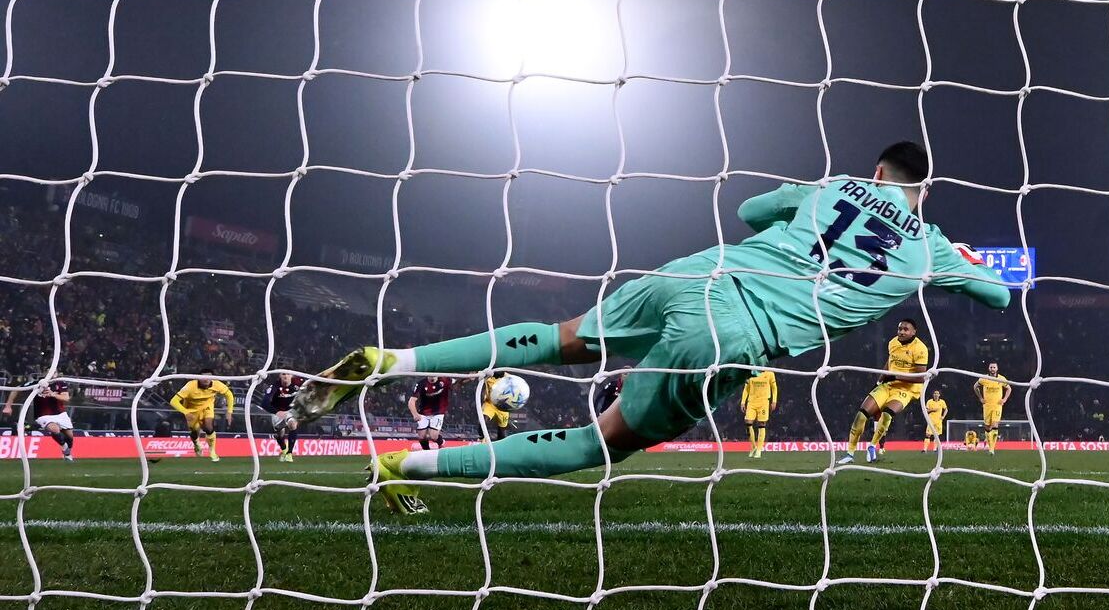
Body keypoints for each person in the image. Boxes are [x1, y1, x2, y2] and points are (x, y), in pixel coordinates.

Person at [288, 142, 1010, 514]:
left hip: (691, 273)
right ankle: (399, 467)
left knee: (557, 335)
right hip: (731, 335)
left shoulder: (831, 188)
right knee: (595, 444)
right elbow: (997, 300)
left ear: (875, 170)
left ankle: (393, 357)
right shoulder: (930, 246)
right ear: (921, 189)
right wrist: (962, 257)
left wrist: (806, 215)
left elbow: (752, 216)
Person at [838, 318, 930, 465]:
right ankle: (850, 453)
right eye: (899, 328)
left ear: (914, 332)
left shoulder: (920, 349)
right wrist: (880, 380)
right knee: (861, 415)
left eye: (905, 329)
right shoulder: (893, 342)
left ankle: (872, 446)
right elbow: (890, 361)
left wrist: (895, 376)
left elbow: (920, 378)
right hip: (888, 385)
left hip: (907, 389)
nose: (901, 331)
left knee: (887, 413)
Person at [3, 379, 76, 461]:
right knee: (55, 429)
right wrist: (8, 406)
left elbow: (66, 398)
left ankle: (67, 454)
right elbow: (16, 389)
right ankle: (64, 446)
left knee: (70, 437)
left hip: (60, 414)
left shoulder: (60, 383)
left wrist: (52, 394)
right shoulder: (36, 383)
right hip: (43, 415)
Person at [170, 375, 235, 462]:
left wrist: (229, 412)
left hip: (207, 408)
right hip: (192, 410)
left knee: (209, 427)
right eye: (204, 377)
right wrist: (185, 412)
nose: (206, 379)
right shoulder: (190, 386)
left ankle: (212, 451)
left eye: (209, 377)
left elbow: (229, 394)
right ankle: (196, 443)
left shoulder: (217, 384)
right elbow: (173, 401)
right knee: (195, 431)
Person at [261, 373, 301, 462]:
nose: (286, 376)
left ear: (292, 375)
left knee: (292, 424)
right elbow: (264, 403)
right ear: (280, 376)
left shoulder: (298, 383)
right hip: (277, 411)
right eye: (283, 374)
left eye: (288, 374)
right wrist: (277, 412)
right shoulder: (274, 386)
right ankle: (284, 450)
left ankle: (289, 454)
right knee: (279, 434)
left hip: (290, 411)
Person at [972, 361, 1010, 455]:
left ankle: (992, 449)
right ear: (989, 369)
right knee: (987, 427)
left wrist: (1004, 399)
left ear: (997, 369)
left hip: (997, 406)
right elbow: (975, 386)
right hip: (987, 406)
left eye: (994, 367)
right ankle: (990, 445)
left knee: (995, 424)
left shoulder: (1001, 379)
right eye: (991, 367)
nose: (992, 369)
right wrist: (980, 398)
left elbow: (1009, 388)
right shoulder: (984, 378)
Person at [408, 375, 453, 450]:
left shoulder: (445, 380)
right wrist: (415, 414)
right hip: (423, 413)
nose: (432, 376)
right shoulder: (421, 383)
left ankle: (441, 443)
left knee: (433, 436)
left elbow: (457, 383)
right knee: (422, 437)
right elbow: (411, 401)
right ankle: (426, 451)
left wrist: (468, 378)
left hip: (438, 412)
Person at [740, 369, 778, 459]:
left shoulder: (770, 374)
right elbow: (746, 389)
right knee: (748, 423)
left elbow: (774, 387)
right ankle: (753, 447)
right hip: (752, 402)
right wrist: (742, 402)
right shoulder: (751, 373)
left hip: (763, 402)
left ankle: (759, 450)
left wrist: (774, 401)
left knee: (761, 424)